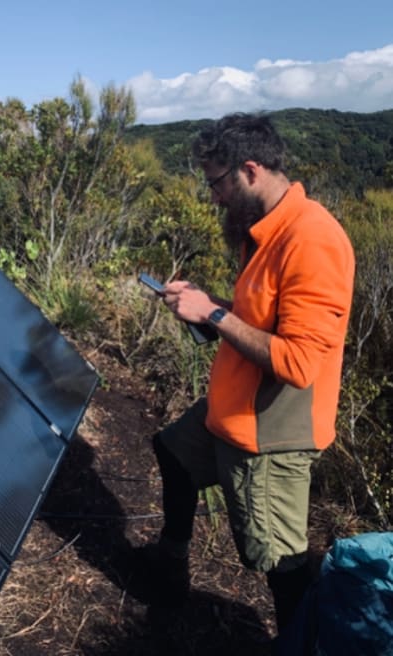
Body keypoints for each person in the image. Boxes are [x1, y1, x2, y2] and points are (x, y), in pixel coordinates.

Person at [141, 114, 355, 639]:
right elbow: (257, 322)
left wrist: (212, 316)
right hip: (230, 413)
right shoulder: (262, 231)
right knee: (173, 453)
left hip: (271, 437)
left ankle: (299, 644)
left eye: (217, 182)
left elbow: (298, 363)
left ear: (251, 170)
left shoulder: (312, 240)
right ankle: (171, 571)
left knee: (280, 563)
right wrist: (209, 304)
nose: (213, 197)